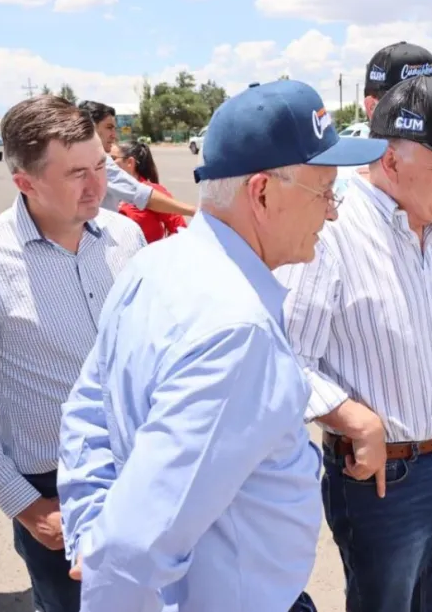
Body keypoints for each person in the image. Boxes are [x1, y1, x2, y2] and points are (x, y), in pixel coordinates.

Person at [56, 80, 388, 612]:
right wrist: (106, 554)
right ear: (261, 193)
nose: (332, 213)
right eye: (325, 192)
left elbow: (86, 415)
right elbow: (136, 546)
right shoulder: (238, 330)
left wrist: (90, 529)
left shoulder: (155, 265)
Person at [275, 75, 432, 612]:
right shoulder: (330, 234)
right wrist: (355, 418)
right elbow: (283, 360)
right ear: (392, 161)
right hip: (384, 484)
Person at [0, 95, 147, 612]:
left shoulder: (126, 236)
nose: (97, 184)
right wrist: (27, 506)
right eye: (76, 173)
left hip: (144, 472)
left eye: (100, 164)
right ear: (25, 182)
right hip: (54, 493)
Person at [336, 40, 432, 188]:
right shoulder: (341, 177)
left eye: (429, 101)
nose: (421, 112)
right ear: (372, 108)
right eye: (406, 104)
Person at [78, 100, 196, 218]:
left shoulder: (68, 156)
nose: (114, 135)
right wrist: (194, 211)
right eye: (109, 128)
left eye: (114, 129)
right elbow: (142, 196)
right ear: (90, 127)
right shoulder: (97, 161)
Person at [112, 140, 188, 243]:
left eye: (112, 158)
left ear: (130, 162)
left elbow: (180, 229)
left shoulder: (153, 192)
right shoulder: (107, 190)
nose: (107, 162)